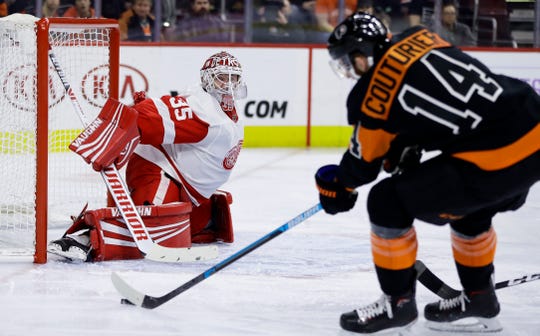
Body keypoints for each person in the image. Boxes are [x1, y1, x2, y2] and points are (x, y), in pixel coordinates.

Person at [315, 11, 540, 334]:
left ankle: (398, 305)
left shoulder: (372, 93)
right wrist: (409, 140)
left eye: (351, 62)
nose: (351, 72)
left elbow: (363, 165)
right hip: (531, 131)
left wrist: (337, 186)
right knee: (470, 209)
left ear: (362, 52)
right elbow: (444, 101)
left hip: (495, 157)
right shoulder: (421, 38)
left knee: (385, 201)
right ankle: (479, 298)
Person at [48, 51, 247, 262]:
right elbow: (149, 114)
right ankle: (84, 239)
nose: (228, 84)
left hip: (188, 190)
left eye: (233, 77)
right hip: (160, 172)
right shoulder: (204, 109)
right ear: (208, 79)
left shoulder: (223, 111)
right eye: (222, 77)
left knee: (191, 231)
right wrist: (114, 137)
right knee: (150, 229)